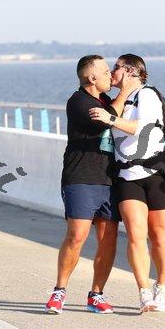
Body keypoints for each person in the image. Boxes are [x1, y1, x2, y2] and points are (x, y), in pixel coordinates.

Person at [89, 54, 165, 312]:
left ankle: (161, 285)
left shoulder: (148, 95)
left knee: (159, 235)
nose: (111, 72)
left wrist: (110, 119)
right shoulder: (118, 101)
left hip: (156, 173)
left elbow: (144, 128)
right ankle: (144, 292)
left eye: (116, 67)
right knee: (136, 234)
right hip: (127, 176)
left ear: (131, 70)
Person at [45, 55, 139, 314]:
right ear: (91, 77)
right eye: (106, 71)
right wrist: (124, 94)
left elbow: (124, 120)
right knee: (77, 235)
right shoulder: (78, 101)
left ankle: (96, 294)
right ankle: (59, 291)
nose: (111, 75)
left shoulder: (107, 101)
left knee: (108, 240)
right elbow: (104, 120)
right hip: (81, 177)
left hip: (109, 179)